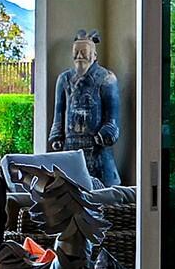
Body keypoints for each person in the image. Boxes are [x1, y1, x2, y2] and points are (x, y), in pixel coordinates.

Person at [49, 29, 122, 187]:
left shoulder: (106, 79)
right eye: (76, 52)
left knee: (100, 197)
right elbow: (59, 113)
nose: (79, 56)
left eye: (84, 52)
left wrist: (105, 135)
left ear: (94, 55)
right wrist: (56, 136)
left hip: (97, 150)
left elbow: (112, 118)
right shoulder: (64, 79)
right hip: (70, 148)